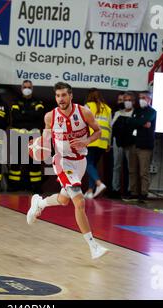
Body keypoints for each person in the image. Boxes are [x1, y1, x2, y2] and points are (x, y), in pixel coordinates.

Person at [26, 82, 109, 260]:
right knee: (79, 203)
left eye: (64, 95)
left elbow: (98, 132)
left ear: (70, 96)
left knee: (64, 200)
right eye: (58, 96)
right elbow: (46, 142)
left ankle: (39, 204)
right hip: (63, 162)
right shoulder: (50, 117)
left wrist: (86, 142)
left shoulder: (84, 112)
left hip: (81, 162)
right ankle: (93, 246)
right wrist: (36, 147)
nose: (61, 99)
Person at [9, 80, 45, 193]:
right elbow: (15, 117)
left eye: (29, 87)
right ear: (21, 88)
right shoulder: (16, 101)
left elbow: (40, 115)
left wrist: (23, 113)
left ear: (32, 88)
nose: (27, 88)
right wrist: (30, 115)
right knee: (16, 162)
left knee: (34, 163)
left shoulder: (38, 101)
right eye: (25, 87)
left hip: (33, 138)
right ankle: (13, 187)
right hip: (18, 137)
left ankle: (36, 187)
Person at [123, 91, 156, 203]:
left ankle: (143, 193)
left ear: (149, 99)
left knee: (143, 171)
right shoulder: (137, 110)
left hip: (145, 145)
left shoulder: (152, 112)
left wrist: (138, 121)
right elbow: (130, 121)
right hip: (134, 144)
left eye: (143, 97)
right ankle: (134, 193)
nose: (141, 99)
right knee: (132, 170)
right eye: (140, 97)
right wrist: (141, 123)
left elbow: (140, 121)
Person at [83, 88, 112, 199]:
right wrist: (108, 142)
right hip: (103, 141)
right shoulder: (108, 109)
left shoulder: (88, 106)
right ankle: (90, 191)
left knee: (88, 164)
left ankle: (99, 184)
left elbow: (83, 123)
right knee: (93, 165)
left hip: (92, 139)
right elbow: (110, 126)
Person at [111, 92, 135, 198]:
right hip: (118, 142)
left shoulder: (135, 113)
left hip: (131, 143)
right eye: (125, 100)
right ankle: (115, 189)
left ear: (133, 102)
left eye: (129, 100)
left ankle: (130, 190)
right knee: (116, 166)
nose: (127, 102)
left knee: (131, 167)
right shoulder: (118, 113)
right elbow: (111, 127)